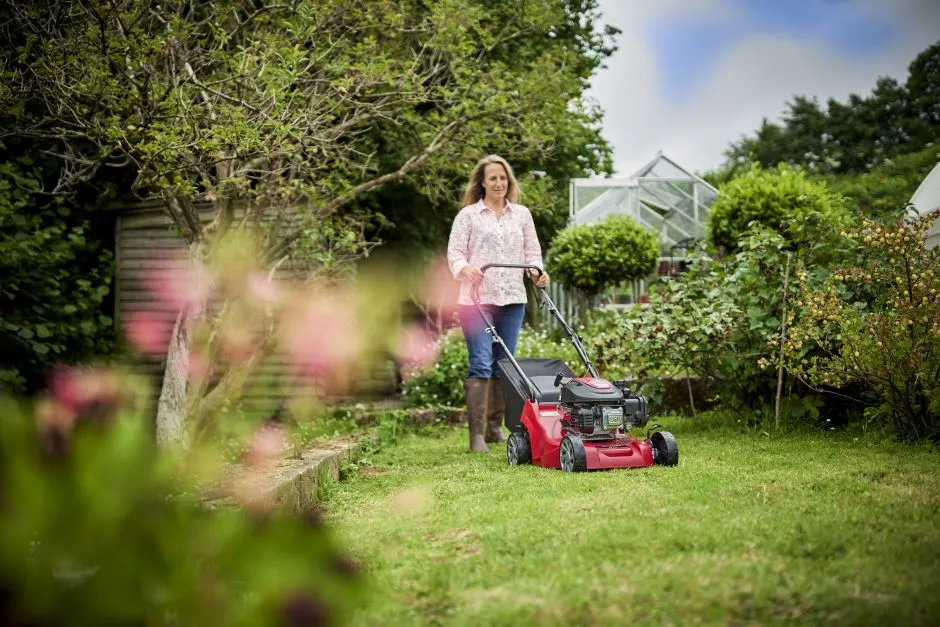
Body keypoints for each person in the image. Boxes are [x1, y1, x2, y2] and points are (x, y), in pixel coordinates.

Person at [447, 155, 550, 453]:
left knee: (504, 365)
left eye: (503, 178)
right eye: (492, 178)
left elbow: (533, 253)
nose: (499, 183)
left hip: (512, 299)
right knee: (480, 362)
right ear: (482, 182)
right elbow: (454, 253)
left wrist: (536, 272)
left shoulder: (521, 214)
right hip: (476, 301)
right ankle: (476, 436)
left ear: (509, 181)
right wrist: (464, 269)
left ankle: (494, 428)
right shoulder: (468, 216)